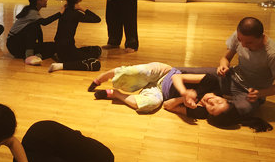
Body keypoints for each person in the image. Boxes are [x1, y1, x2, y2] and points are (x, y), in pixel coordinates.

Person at [88, 62, 239, 126]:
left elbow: (167, 105)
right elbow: (176, 77)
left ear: (209, 114)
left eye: (212, 108)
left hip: (159, 91)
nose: (211, 102)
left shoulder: (200, 112)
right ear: (224, 99)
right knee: (134, 72)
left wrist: (182, 100)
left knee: (148, 105)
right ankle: (101, 78)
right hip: (165, 73)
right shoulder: (211, 82)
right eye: (218, 102)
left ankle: (114, 94)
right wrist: (185, 92)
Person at [217, 17, 275, 117]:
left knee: (235, 111)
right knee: (187, 73)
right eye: (240, 40)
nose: (243, 45)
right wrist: (223, 66)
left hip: (251, 93)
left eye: (249, 43)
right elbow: (225, 58)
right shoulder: (239, 35)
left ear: (261, 37)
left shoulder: (272, 53)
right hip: (232, 77)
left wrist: (259, 93)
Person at [48, 0, 102, 73]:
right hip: (68, 51)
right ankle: (62, 65)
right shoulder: (76, 14)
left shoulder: (63, 11)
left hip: (59, 48)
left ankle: (62, 58)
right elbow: (97, 19)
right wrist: (82, 8)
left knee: (94, 49)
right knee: (96, 56)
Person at [7, 0, 63, 65]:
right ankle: (29, 56)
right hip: (14, 44)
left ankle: (37, 56)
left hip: (20, 44)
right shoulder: (31, 12)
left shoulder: (32, 11)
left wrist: (41, 46)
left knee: (54, 46)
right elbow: (44, 22)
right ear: (38, 1)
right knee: (33, 26)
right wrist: (60, 13)